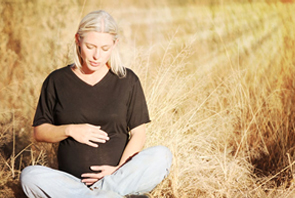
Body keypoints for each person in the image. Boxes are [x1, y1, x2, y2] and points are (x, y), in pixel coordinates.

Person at [20, 10, 172, 198]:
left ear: (115, 44)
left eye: (105, 48)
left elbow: (138, 134)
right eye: (90, 46)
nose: (97, 56)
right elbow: (40, 131)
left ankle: (104, 192)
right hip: (72, 183)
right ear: (78, 40)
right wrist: (70, 130)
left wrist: (118, 170)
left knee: (162, 155)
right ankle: (107, 195)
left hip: (118, 176)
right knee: (30, 177)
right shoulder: (57, 80)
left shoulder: (127, 80)